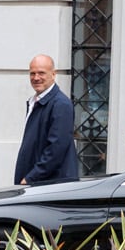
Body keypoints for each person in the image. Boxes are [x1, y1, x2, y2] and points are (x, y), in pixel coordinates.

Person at [15, 54, 80, 186]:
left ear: (53, 74)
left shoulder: (60, 104)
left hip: (51, 185)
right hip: (39, 182)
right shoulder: (36, 102)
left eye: (41, 73)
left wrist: (30, 178)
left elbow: (56, 149)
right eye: (32, 73)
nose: (36, 78)